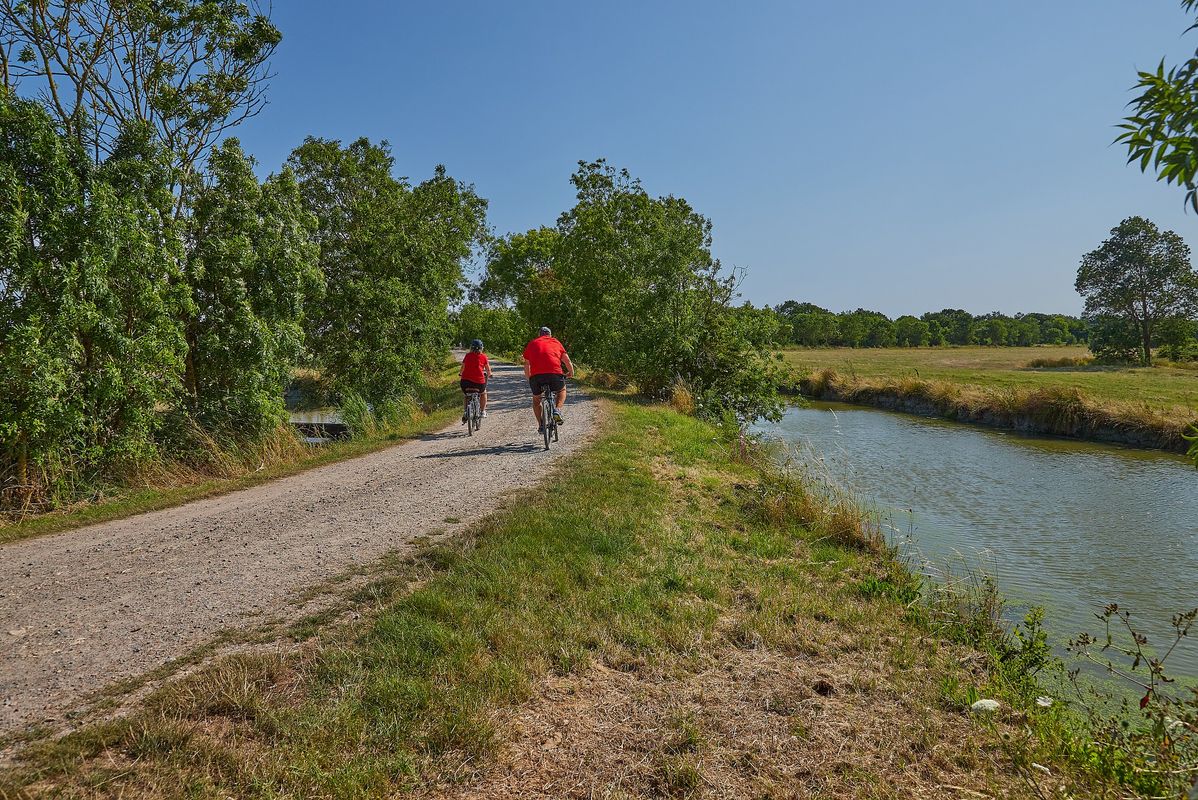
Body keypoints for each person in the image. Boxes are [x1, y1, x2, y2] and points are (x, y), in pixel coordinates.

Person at [522, 326, 574, 433]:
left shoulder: (532, 343)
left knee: (536, 400)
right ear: (550, 335)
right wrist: (571, 373)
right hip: (554, 374)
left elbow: (526, 364)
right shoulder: (556, 342)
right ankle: (557, 410)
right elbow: (567, 360)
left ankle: (541, 425)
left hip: (536, 377)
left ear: (539, 335)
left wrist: (528, 377)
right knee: (562, 390)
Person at [459, 339, 492, 422]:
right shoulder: (484, 357)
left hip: (465, 383)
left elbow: (463, 367)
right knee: (483, 393)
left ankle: (465, 412)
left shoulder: (467, 356)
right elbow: (488, 369)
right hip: (479, 383)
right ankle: (483, 411)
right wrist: (490, 374)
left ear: (471, 347)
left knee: (466, 395)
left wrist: (460, 373)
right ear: (481, 348)